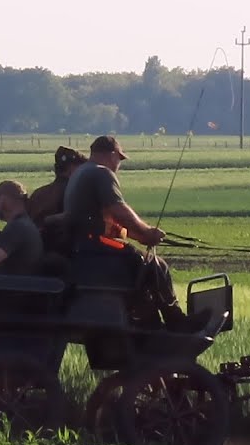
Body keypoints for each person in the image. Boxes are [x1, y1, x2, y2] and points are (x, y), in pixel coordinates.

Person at [63, 135, 208, 333]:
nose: (119, 165)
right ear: (112, 154)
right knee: (153, 265)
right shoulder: (101, 173)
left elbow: (111, 220)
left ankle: (149, 321)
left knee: (141, 264)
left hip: (84, 247)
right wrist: (146, 231)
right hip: (95, 248)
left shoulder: (80, 172)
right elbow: (118, 210)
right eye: (119, 159)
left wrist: (140, 236)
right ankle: (175, 320)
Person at [27, 146, 87, 259]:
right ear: (72, 169)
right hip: (66, 256)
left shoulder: (38, 193)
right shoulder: (75, 192)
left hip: (36, 255)